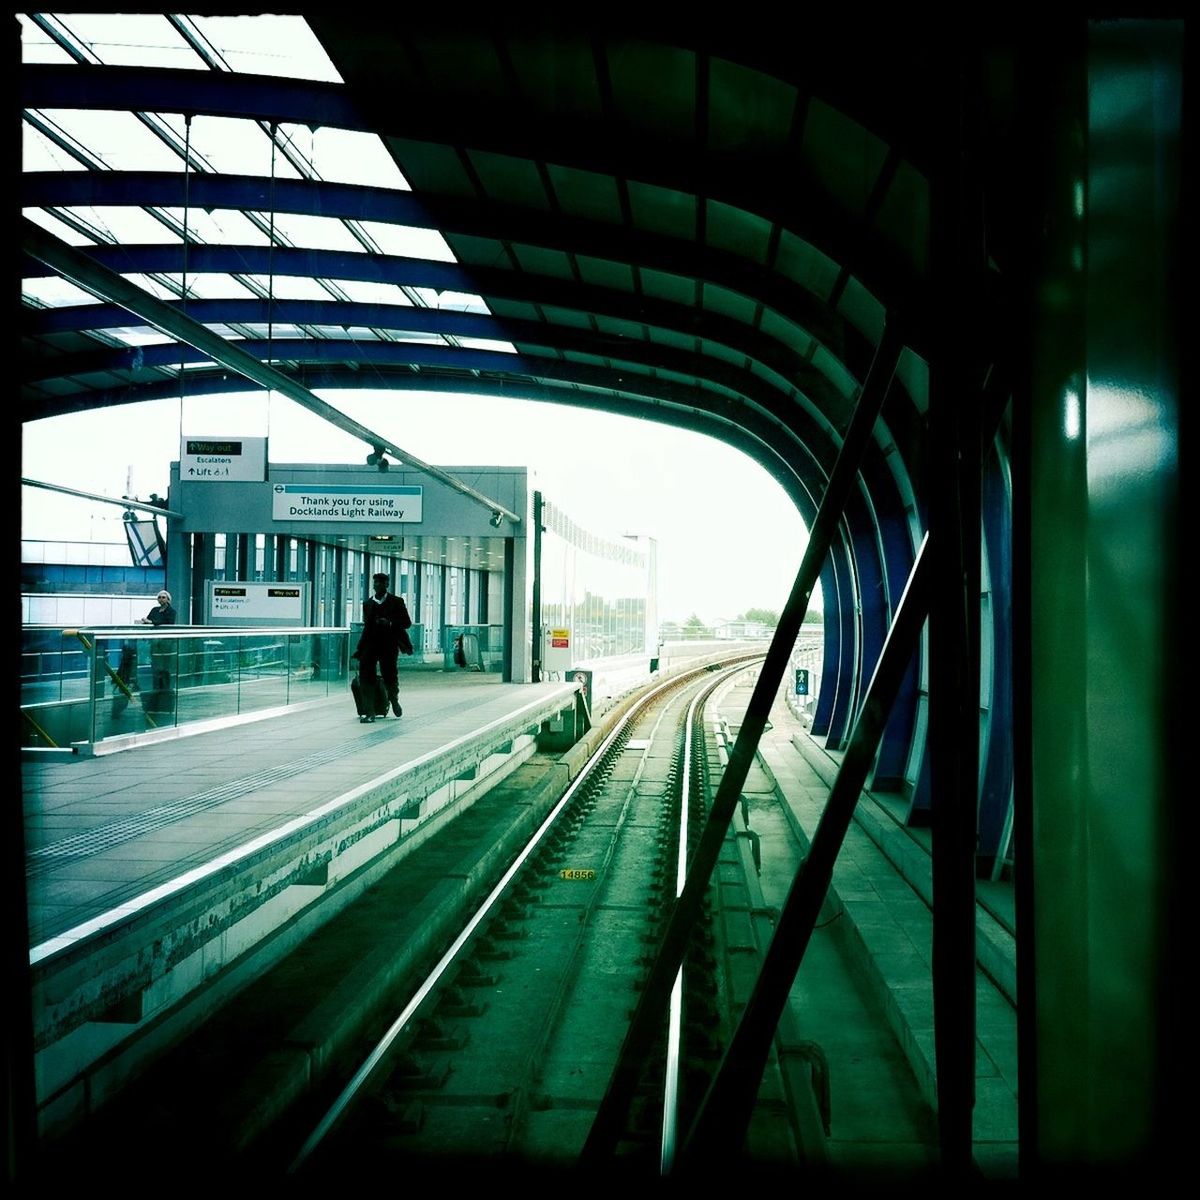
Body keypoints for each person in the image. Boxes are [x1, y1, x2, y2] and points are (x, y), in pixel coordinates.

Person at [353, 573, 411, 722]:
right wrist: (360, 649)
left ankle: (394, 699)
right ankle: (370, 712)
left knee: (390, 675)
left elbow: (407, 623)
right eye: (375, 583)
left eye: (380, 583)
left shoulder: (397, 602)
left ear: (387, 585)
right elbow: (367, 627)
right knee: (366, 676)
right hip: (370, 645)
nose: (377, 585)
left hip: (388, 645)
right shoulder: (368, 604)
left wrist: (390, 623)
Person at [138, 590, 177, 707]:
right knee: (155, 666)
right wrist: (148, 621)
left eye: (163, 597)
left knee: (165, 667)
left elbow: (168, 623)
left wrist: (152, 622)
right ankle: (156, 689)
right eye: (159, 597)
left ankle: (165, 690)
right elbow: (149, 620)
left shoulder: (171, 611)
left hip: (165, 643)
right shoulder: (154, 610)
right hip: (155, 642)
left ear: (168, 599)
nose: (161, 599)